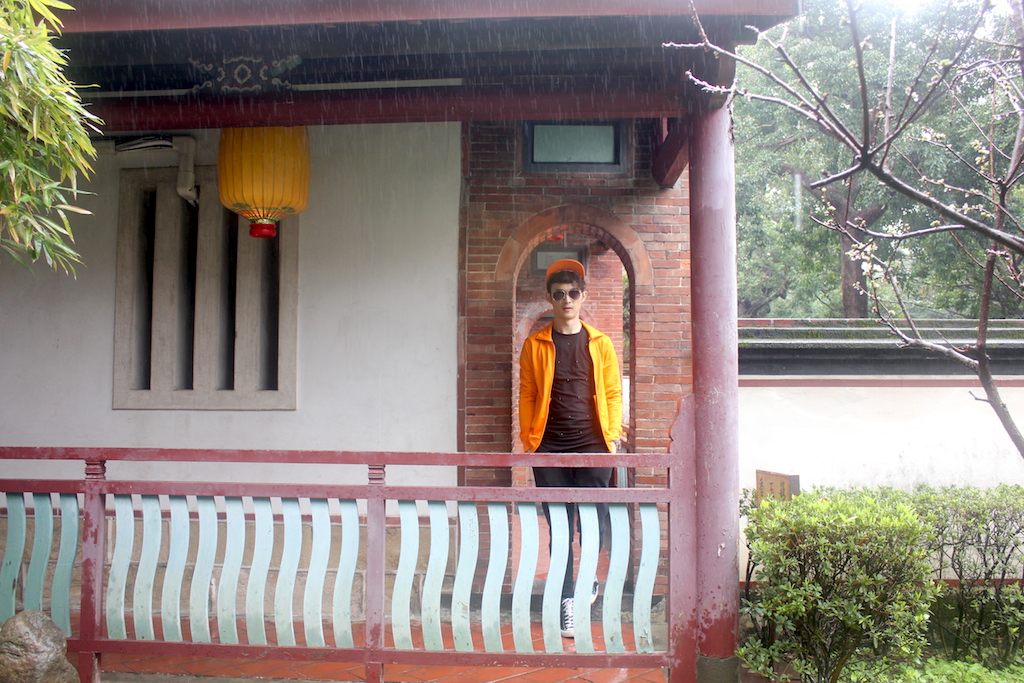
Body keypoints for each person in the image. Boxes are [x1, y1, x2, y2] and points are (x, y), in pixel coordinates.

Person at [518, 258, 623, 638]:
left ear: (583, 297)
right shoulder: (535, 344)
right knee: (559, 526)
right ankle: (566, 599)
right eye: (559, 294)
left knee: (592, 521)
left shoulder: (601, 343)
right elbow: (528, 393)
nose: (567, 300)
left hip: (593, 444)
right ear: (550, 298)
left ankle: (587, 578)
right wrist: (530, 441)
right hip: (549, 447)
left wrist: (612, 437)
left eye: (573, 293)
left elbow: (612, 392)